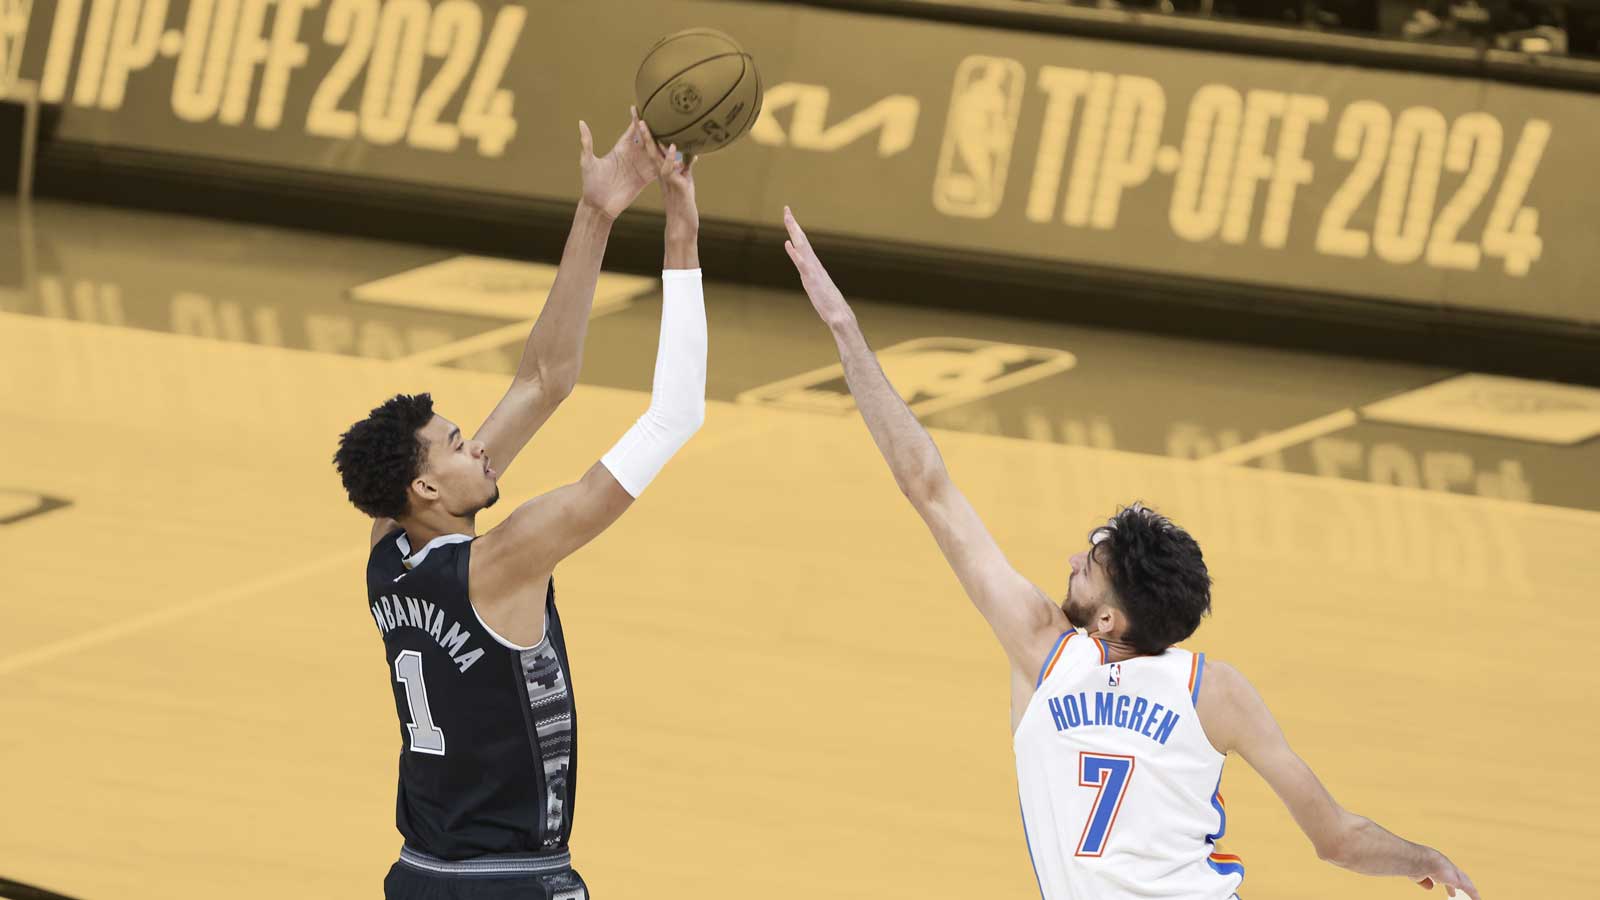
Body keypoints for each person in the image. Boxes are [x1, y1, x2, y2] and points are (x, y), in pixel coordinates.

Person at [778, 206, 1481, 900]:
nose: (1071, 561)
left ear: (1110, 622)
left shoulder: (1045, 652)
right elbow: (1335, 838)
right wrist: (1428, 860)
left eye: (1088, 566)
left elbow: (926, 486)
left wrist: (846, 332)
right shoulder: (1216, 690)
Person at [332, 111, 705, 900]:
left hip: (418, 875)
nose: (479, 447)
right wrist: (681, 235)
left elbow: (543, 381)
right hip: (509, 883)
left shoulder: (386, 550)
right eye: (459, 442)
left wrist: (597, 212)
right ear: (426, 488)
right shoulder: (506, 559)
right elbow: (675, 416)